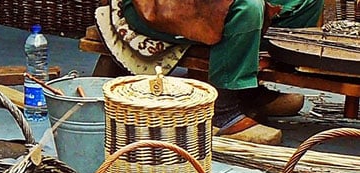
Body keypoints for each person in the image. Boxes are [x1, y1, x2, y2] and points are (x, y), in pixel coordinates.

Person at [120, 0, 325, 144]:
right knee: (247, 7)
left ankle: (246, 91)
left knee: (305, 1)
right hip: (160, 6)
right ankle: (222, 112)